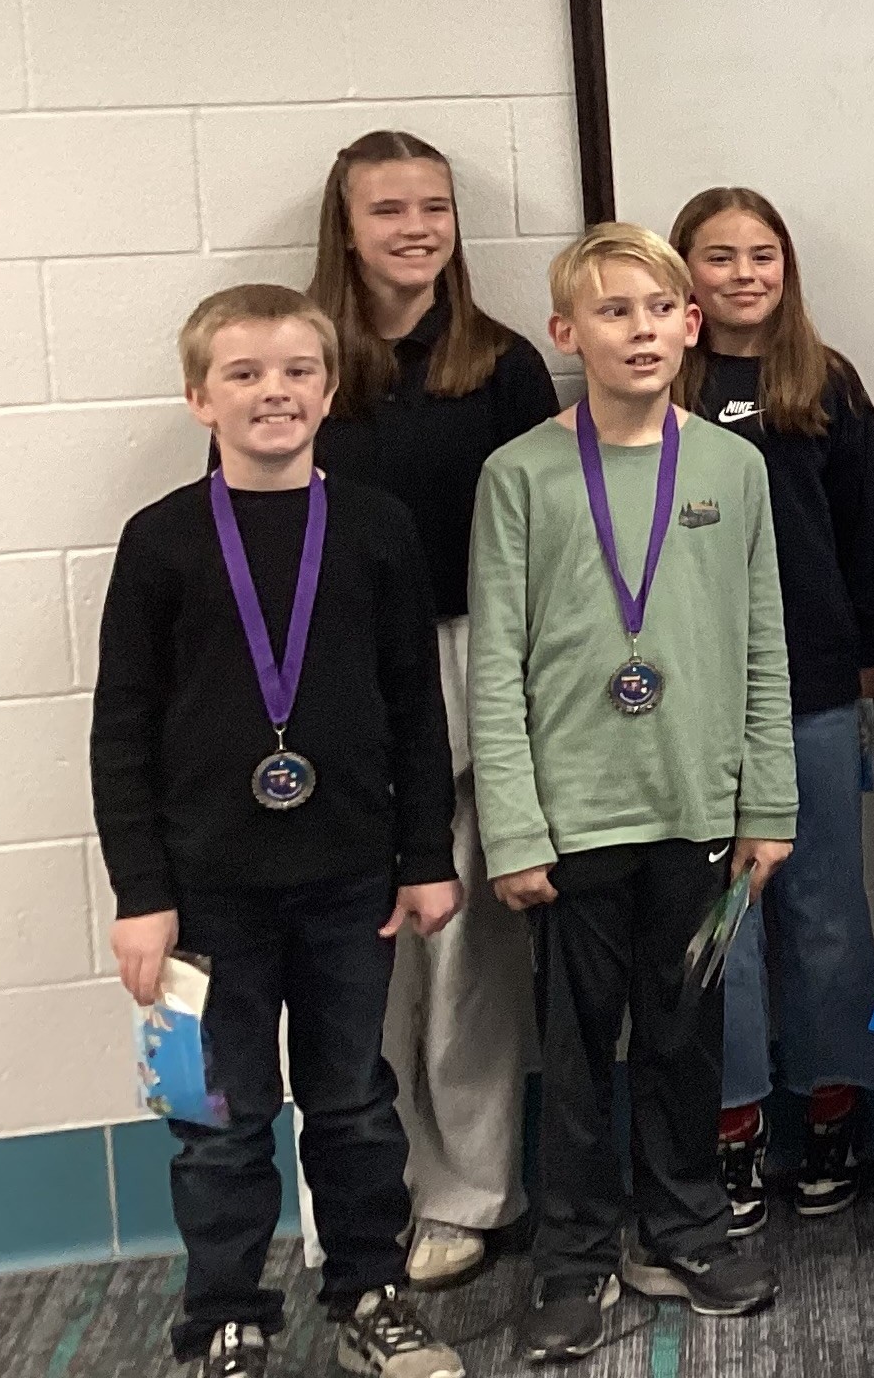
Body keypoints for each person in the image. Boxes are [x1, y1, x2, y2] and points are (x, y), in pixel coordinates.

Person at [94, 284, 467, 1378]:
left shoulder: (375, 525)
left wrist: (424, 854)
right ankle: (223, 1313)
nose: (275, 392)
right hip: (205, 895)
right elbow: (122, 730)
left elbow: (415, 704)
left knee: (353, 1102)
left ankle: (369, 1292)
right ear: (198, 394)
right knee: (217, 1117)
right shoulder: (160, 540)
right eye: (246, 373)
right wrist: (139, 893)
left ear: (330, 387)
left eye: (298, 370)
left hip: (353, 878)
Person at [467, 226, 791, 1358]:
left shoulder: (731, 469)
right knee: (574, 1041)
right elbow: (495, 667)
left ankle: (686, 1224)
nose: (641, 328)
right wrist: (512, 826)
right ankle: (572, 1253)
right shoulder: (518, 475)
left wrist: (768, 805)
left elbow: (763, 646)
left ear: (691, 323)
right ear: (567, 334)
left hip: (697, 813)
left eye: (660, 308)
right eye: (612, 311)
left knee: (685, 1031)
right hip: (572, 820)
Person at [304, 129, 554, 1290]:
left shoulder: (498, 363)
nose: (416, 227)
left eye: (435, 207)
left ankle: (467, 1191)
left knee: (464, 943)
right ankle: (361, 1190)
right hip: (330, 676)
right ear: (344, 229)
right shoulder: (302, 360)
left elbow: (540, 538)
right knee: (355, 946)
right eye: (389, 209)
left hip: (471, 658)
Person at [669, 190, 874, 1237]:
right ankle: (733, 1120)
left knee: (824, 908)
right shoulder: (658, 380)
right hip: (694, 695)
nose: (744, 274)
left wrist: (872, 652)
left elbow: (864, 529)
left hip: (812, 685)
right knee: (724, 916)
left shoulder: (826, 380)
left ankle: (834, 1102)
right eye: (719, 257)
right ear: (686, 274)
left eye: (763, 255)